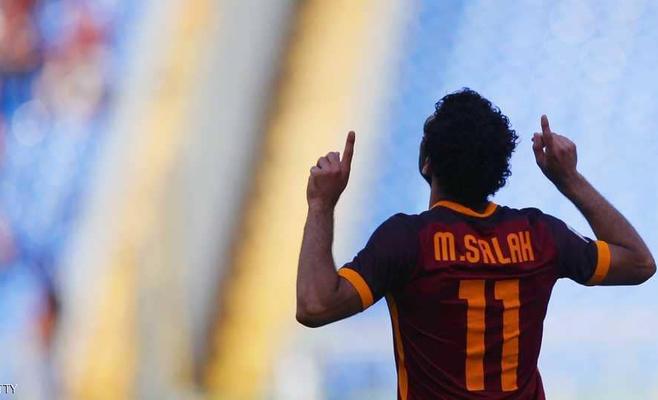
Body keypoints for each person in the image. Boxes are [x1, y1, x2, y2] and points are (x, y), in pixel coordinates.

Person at [295, 88, 655, 399]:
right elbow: (639, 263)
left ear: (426, 163)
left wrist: (321, 204)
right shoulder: (541, 235)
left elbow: (315, 305)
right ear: (499, 168)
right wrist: (569, 179)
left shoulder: (408, 241)